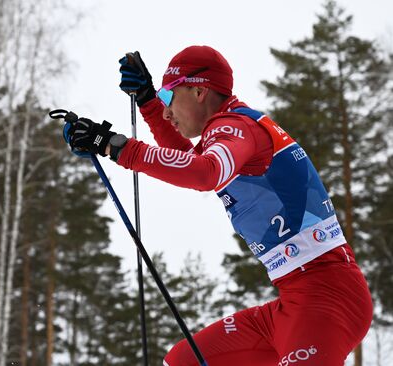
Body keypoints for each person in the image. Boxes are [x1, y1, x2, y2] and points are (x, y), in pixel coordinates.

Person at [62, 45, 373, 366]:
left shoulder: (236, 127)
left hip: (327, 299)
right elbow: (191, 161)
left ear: (198, 91)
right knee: (184, 361)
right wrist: (148, 101)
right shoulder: (230, 131)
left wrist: (115, 146)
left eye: (170, 98)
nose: (167, 112)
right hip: (292, 303)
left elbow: (205, 172)